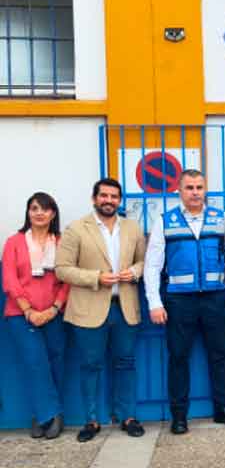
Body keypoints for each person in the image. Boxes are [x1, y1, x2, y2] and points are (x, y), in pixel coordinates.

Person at [145, 169, 225, 434]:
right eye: (189, 187)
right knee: (178, 357)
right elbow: (152, 265)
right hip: (180, 301)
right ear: (179, 191)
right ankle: (179, 416)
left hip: (216, 298)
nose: (194, 192)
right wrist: (154, 302)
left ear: (205, 190)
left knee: (220, 356)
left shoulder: (220, 218)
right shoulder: (165, 221)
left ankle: (223, 410)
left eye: (199, 187)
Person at [55, 179, 146, 442]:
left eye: (114, 196)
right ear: (94, 198)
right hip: (88, 310)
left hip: (125, 308)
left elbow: (143, 260)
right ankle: (91, 420)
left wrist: (135, 272)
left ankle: (128, 416)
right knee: (90, 365)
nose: (109, 200)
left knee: (126, 364)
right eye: (104, 195)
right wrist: (96, 277)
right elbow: (62, 268)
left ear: (119, 200)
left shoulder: (132, 227)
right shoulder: (76, 229)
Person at [2, 192, 69, 439]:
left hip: (55, 312)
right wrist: (29, 310)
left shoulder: (63, 242)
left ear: (53, 213)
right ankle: (49, 415)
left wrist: (53, 309)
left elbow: (67, 280)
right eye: (34, 208)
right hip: (20, 314)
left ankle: (44, 415)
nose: (39, 213)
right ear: (28, 213)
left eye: (44, 209)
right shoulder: (14, 242)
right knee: (35, 363)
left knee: (55, 363)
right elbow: (9, 279)